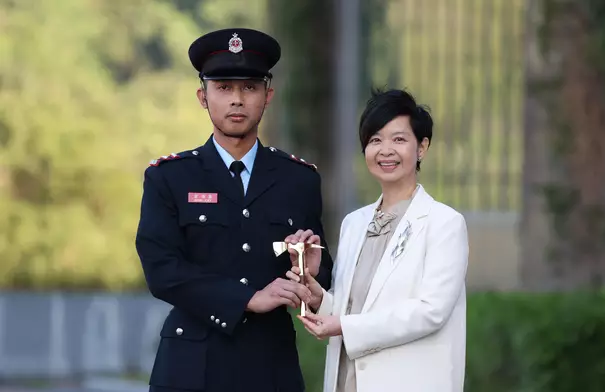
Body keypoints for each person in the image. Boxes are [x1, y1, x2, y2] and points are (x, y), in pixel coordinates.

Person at [135, 27, 334, 392]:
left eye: (249, 87)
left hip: (271, 368)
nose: (237, 100)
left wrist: (310, 273)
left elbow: (324, 281)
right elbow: (162, 270)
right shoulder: (170, 178)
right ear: (203, 96)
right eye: (224, 88)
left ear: (268, 95)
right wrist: (247, 298)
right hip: (191, 369)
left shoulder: (299, 179)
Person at [286, 89, 469, 392]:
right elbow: (354, 309)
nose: (385, 150)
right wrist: (318, 298)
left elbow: (430, 311)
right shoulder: (354, 224)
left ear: (422, 147)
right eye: (375, 140)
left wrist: (344, 326)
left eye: (399, 139)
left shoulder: (444, 223)